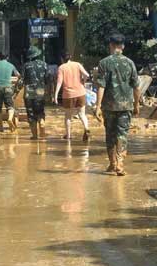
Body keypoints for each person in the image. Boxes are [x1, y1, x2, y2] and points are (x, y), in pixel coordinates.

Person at [94, 34, 140, 176]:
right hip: (126, 106)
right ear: (123, 46)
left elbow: (101, 86)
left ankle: (112, 163)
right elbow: (136, 87)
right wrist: (137, 104)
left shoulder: (104, 63)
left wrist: (97, 106)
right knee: (122, 134)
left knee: (110, 134)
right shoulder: (130, 63)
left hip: (109, 106)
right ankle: (120, 164)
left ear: (110, 45)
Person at [55, 52, 90, 142]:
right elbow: (87, 75)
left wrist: (55, 95)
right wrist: (83, 82)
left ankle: (68, 135)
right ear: (70, 57)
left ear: (62, 59)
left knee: (68, 116)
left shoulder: (61, 68)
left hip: (68, 95)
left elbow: (59, 82)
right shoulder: (77, 64)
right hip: (81, 92)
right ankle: (86, 128)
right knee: (82, 114)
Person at [19, 47, 49, 140]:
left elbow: (21, 81)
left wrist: (16, 91)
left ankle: (35, 135)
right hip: (40, 91)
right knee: (40, 111)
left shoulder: (26, 65)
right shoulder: (44, 65)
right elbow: (48, 79)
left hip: (29, 92)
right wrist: (49, 92)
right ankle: (42, 123)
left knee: (31, 114)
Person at [0, 52, 19, 132]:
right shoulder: (11, 65)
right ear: (7, 57)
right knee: (10, 106)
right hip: (8, 87)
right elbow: (18, 75)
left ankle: (1, 127)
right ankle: (10, 119)